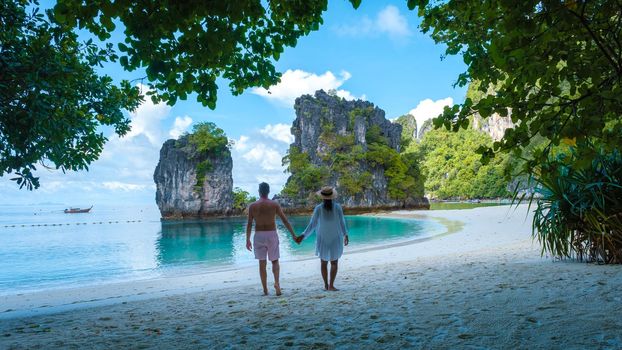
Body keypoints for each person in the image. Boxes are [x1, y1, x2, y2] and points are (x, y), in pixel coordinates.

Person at [246, 182, 297, 296]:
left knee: (262, 263)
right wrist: (293, 234)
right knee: (275, 261)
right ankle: (277, 283)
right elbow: (285, 220)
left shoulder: (253, 206)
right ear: (268, 191)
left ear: (259, 191)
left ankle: (265, 289)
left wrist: (247, 239)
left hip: (259, 235)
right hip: (271, 234)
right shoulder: (274, 204)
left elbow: (249, 224)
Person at [296, 186, 349, 291]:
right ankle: (331, 285)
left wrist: (303, 235)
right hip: (335, 237)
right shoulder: (337, 207)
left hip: (323, 238)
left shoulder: (319, 208)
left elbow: (312, 225)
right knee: (334, 262)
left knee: (323, 262)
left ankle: (326, 285)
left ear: (322, 197)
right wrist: (345, 234)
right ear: (332, 197)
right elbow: (342, 222)